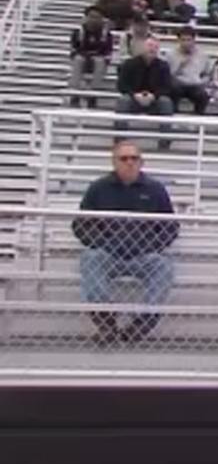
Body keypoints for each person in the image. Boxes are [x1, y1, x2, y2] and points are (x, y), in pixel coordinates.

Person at [71, 141, 178, 346]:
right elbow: (80, 225)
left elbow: (170, 227)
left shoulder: (155, 190)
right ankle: (106, 324)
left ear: (141, 162)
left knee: (163, 265)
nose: (129, 163)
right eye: (123, 159)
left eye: (134, 158)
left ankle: (141, 325)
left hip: (143, 255)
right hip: (108, 254)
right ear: (114, 162)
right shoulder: (98, 188)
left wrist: (149, 246)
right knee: (91, 258)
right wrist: (103, 243)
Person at [116, 36, 175, 149]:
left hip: (154, 101)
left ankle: (165, 141)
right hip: (134, 100)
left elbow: (167, 87)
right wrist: (134, 95)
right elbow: (121, 85)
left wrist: (154, 96)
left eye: (155, 47)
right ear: (143, 47)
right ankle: (120, 139)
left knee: (166, 102)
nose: (152, 49)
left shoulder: (163, 66)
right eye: (149, 46)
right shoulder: (129, 63)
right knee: (123, 100)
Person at [68, 7, 115, 105]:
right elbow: (74, 50)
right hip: (82, 58)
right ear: (86, 18)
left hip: (98, 60)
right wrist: (86, 55)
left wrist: (97, 56)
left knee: (100, 61)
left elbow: (108, 52)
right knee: (78, 59)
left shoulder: (106, 34)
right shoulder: (78, 32)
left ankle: (93, 94)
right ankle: (74, 94)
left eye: (97, 17)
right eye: (91, 17)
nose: (94, 20)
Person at [165, 26, 211, 115]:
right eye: (183, 40)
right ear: (178, 41)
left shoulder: (202, 55)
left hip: (195, 84)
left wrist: (202, 82)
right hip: (178, 84)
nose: (186, 43)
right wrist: (180, 66)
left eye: (189, 40)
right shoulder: (171, 55)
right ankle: (173, 116)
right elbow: (167, 74)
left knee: (203, 96)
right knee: (173, 89)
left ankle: (197, 119)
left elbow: (207, 73)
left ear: (194, 40)